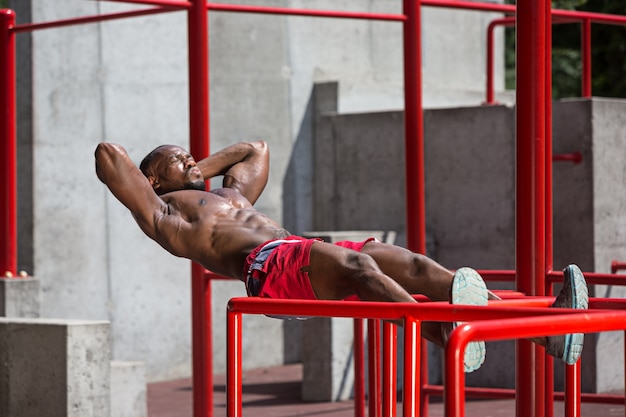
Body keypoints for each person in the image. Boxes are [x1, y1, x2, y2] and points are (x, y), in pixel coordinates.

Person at [95, 140, 588, 373]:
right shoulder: (165, 216)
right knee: (360, 269)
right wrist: (160, 179)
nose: (185, 158)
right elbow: (107, 157)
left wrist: (194, 165)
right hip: (269, 269)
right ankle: (442, 335)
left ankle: (548, 334)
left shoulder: (230, 196)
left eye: (187, 153)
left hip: (305, 249)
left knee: (418, 267)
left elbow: (256, 149)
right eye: (172, 158)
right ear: (154, 179)